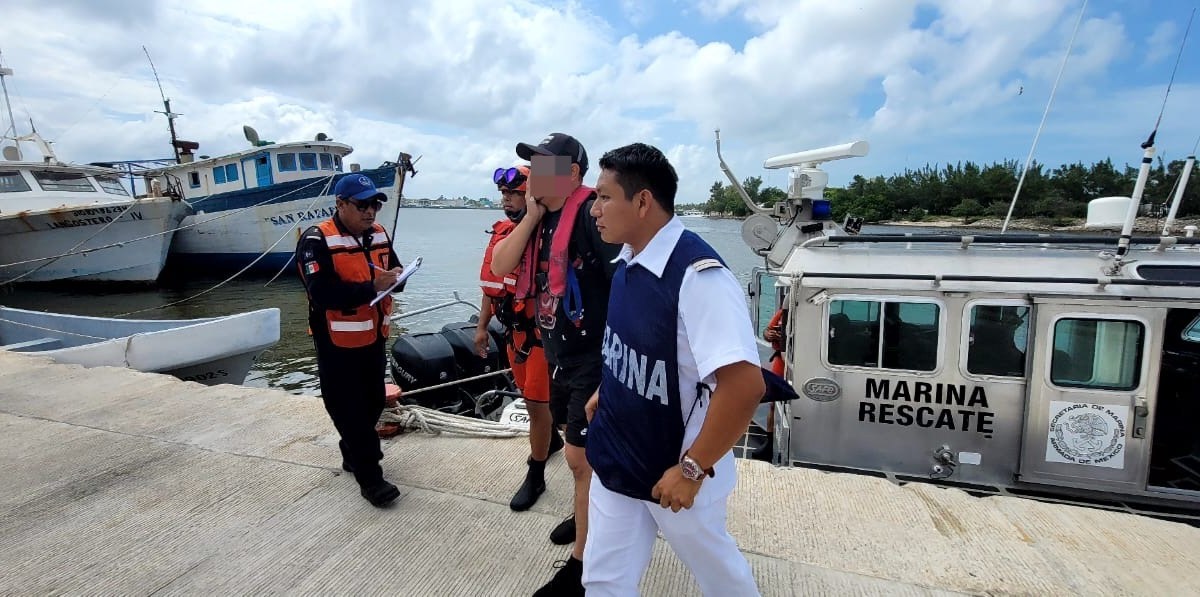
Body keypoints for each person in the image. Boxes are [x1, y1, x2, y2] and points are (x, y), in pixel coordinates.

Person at [583, 142, 764, 595]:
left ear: (642, 202)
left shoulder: (700, 278)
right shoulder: (627, 261)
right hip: (620, 454)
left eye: (604, 197)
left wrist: (692, 470)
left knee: (719, 574)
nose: (594, 210)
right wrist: (609, 390)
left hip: (677, 468)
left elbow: (743, 386)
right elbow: (634, 344)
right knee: (603, 578)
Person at [489, 133, 621, 597]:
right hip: (561, 355)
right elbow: (503, 266)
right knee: (578, 457)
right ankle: (586, 512)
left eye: (543, 167)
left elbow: (626, 286)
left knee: (580, 459)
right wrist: (531, 215)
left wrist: (617, 371)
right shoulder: (541, 219)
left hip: (593, 358)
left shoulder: (590, 215)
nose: (532, 175)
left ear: (572, 175)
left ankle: (581, 569)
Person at [296, 173, 404, 508]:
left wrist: (397, 278)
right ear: (340, 205)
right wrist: (373, 286)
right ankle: (370, 476)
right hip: (335, 342)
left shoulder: (379, 235)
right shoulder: (316, 241)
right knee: (347, 406)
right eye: (361, 205)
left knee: (372, 401)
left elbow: (393, 269)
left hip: (373, 336)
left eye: (374, 205)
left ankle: (351, 450)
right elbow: (322, 292)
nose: (370, 212)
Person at [473, 164, 563, 512]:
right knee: (528, 398)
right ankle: (550, 441)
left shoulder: (554, 233)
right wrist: (482, 328)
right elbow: (491, 286)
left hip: (542, 337)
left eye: (513, 193)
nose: (506, 200)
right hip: (513, 335)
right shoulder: (501, 234)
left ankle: (535, 473)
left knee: (537, 406)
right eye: (503, 194)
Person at [753, 307, 788, 461]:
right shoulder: (782, 312)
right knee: (773, 404)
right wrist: (769, 334)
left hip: (797, 362)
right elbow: (766, 332)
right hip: (780, 361)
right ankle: (770, 443)